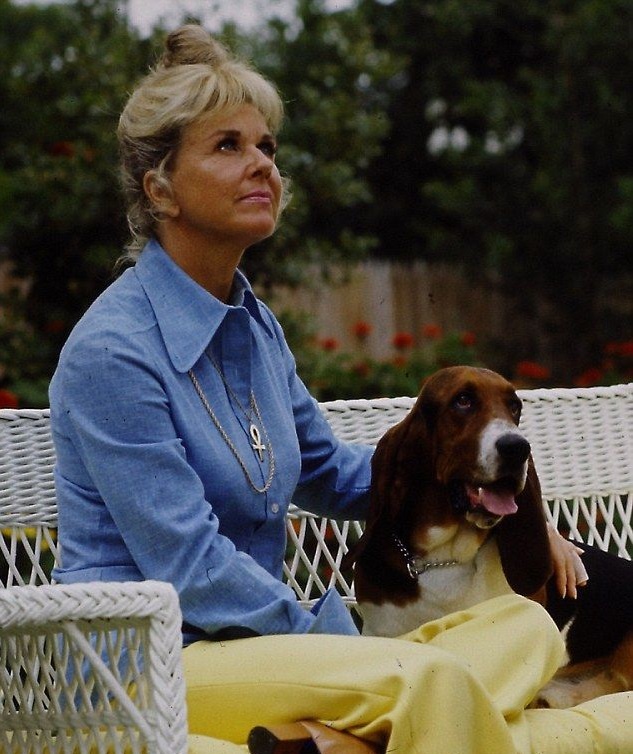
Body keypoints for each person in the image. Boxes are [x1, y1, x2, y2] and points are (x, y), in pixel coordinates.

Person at [49, 24, 632, 754]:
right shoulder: (115, 352)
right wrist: (331, 637)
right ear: (159, 186)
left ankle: (325, 741)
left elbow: (326, 468)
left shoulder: (252, 326)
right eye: (228, 146)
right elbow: (190, 567)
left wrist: (493, 500)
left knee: (521, 626)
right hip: (147, 666)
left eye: (267, 146)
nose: (263, 165)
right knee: (428, 680)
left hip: (258, 653)